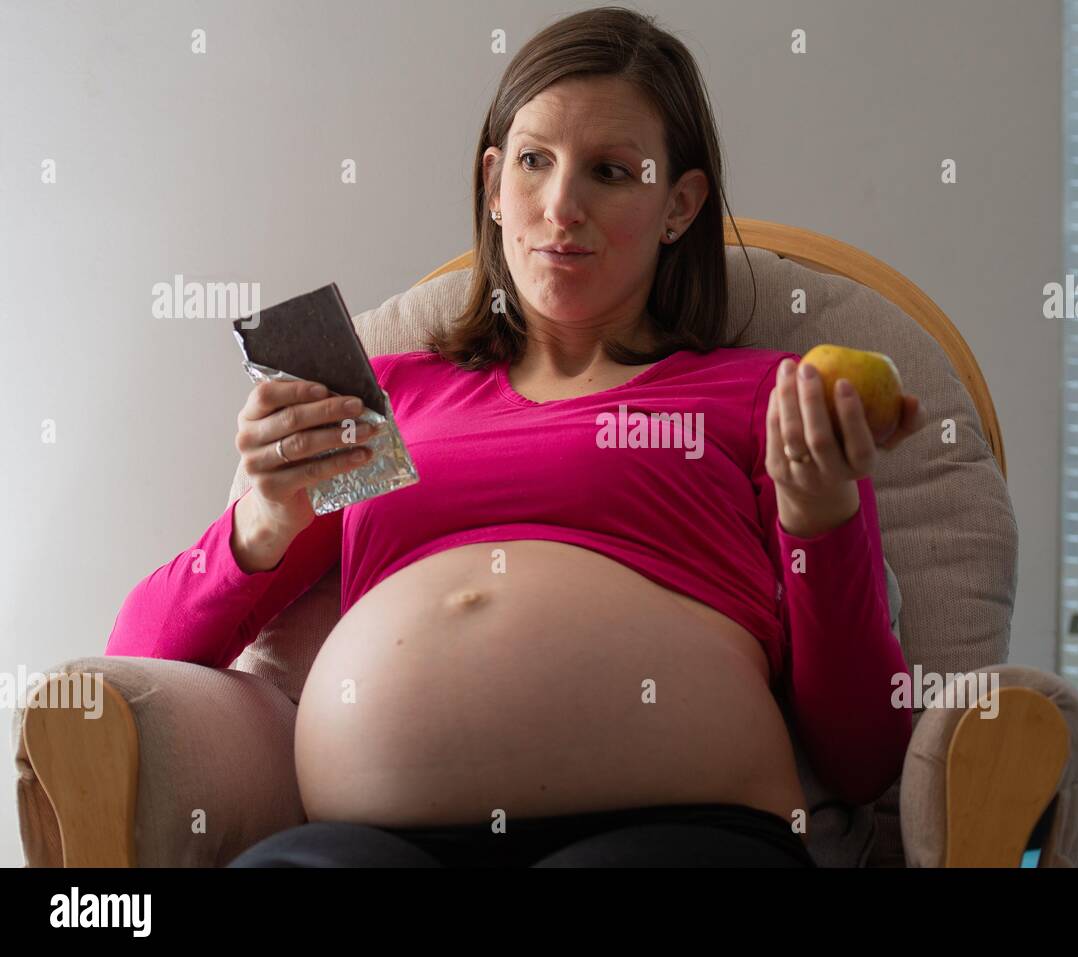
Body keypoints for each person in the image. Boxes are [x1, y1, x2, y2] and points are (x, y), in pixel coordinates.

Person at [107, 6, 924, 868]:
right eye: (534, 162)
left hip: (674, 828)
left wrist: (819, 516)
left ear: (679, 205)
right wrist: (261, 526)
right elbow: (137, 658)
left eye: (610, 171)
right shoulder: (387, 400)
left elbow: (865, 755)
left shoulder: (769, 402)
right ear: (494, 184)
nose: (561, 205)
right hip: (370, 842)